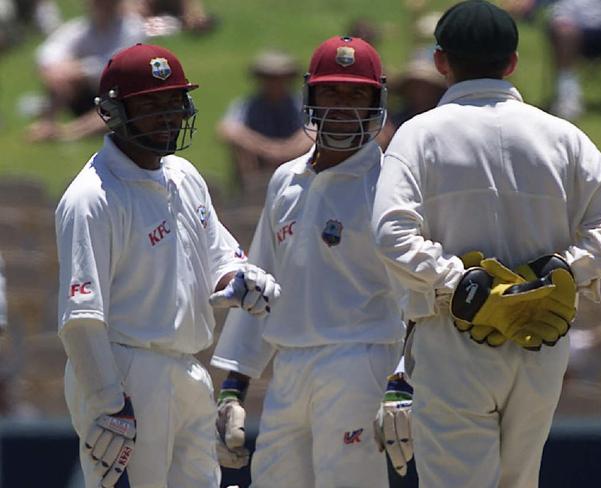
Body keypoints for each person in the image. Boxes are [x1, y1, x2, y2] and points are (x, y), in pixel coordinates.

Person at [371, 1, 601, 487]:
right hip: (542, 335)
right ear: (513, 62)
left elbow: (390, 233)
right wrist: (567, 270)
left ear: (441, 62)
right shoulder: (561, 134)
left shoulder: (418, 135)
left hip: (454, 331)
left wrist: (462, 283)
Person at [55, 43, 280, 488]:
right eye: (150, 104)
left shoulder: (183, 176)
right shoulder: (91, 198)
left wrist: (242, 281)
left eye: (173, 101)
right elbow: (81, 319)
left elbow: (220, 257)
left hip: (188, 369)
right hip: (125, 373)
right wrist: (109, 403)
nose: (168, 115)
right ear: (115, 112)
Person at [211, 36, 409, 487]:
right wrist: (232, 388)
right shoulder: (285, 180)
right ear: (311, 97)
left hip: (360, 362)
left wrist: (403, 383)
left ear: (376, 101)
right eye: (331, 92)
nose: (342, 105)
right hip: (289, 370)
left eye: (356, 94)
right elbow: (259, 284)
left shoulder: (392, 184)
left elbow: (415, 298)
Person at [27, 0, 146, 142]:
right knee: (57, 76)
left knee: (119, 106)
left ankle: (67, 133)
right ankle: (47, 124)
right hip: (86, 93)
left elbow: (116, 64)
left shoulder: (133, 28)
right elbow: (48, 51)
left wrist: (78, 70)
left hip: (118, 93)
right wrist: (56, 69)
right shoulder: (80, 28)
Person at [216, 49, 312, 189]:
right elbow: (226, 130)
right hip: (259, 163)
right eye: (269, 78)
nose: (274, 83)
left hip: (295, 160)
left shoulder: (300, 103)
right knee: (239, 148)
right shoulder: (248, 104)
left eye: (279, 78)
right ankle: (253, 191)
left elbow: (317, 130)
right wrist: (266, 148)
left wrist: (287, 150)